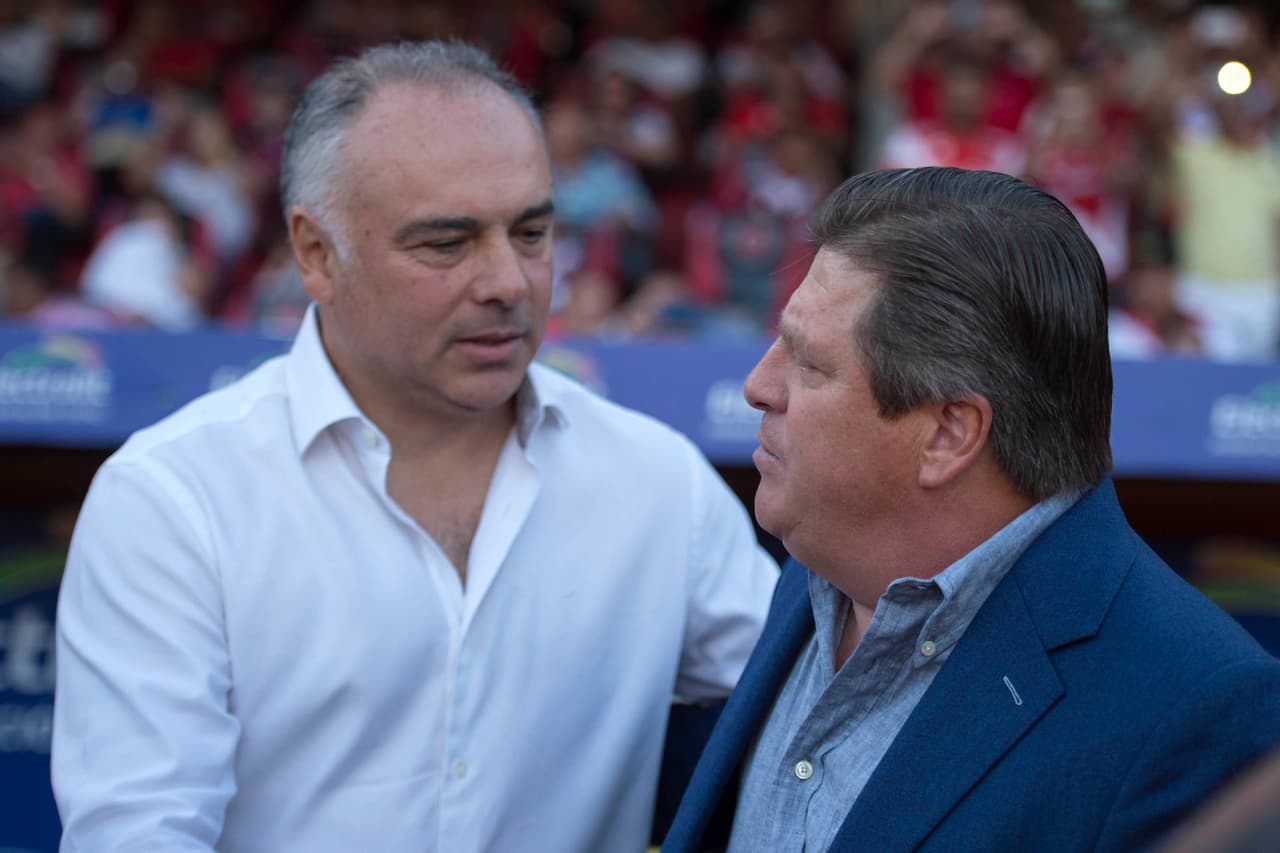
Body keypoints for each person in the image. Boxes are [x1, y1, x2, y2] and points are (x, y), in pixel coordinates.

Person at [52, 41, 778, 853]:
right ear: (316, 254)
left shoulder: (657, 483)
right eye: (446, 243)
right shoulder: (173, 501)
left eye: (533, 232)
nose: (508, 279)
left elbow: (830, 719)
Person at [661, 167, 1280, 853]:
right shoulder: (821, 568)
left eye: (809, 363)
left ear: (949, 433)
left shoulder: (1197, 711)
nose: (757, 385)